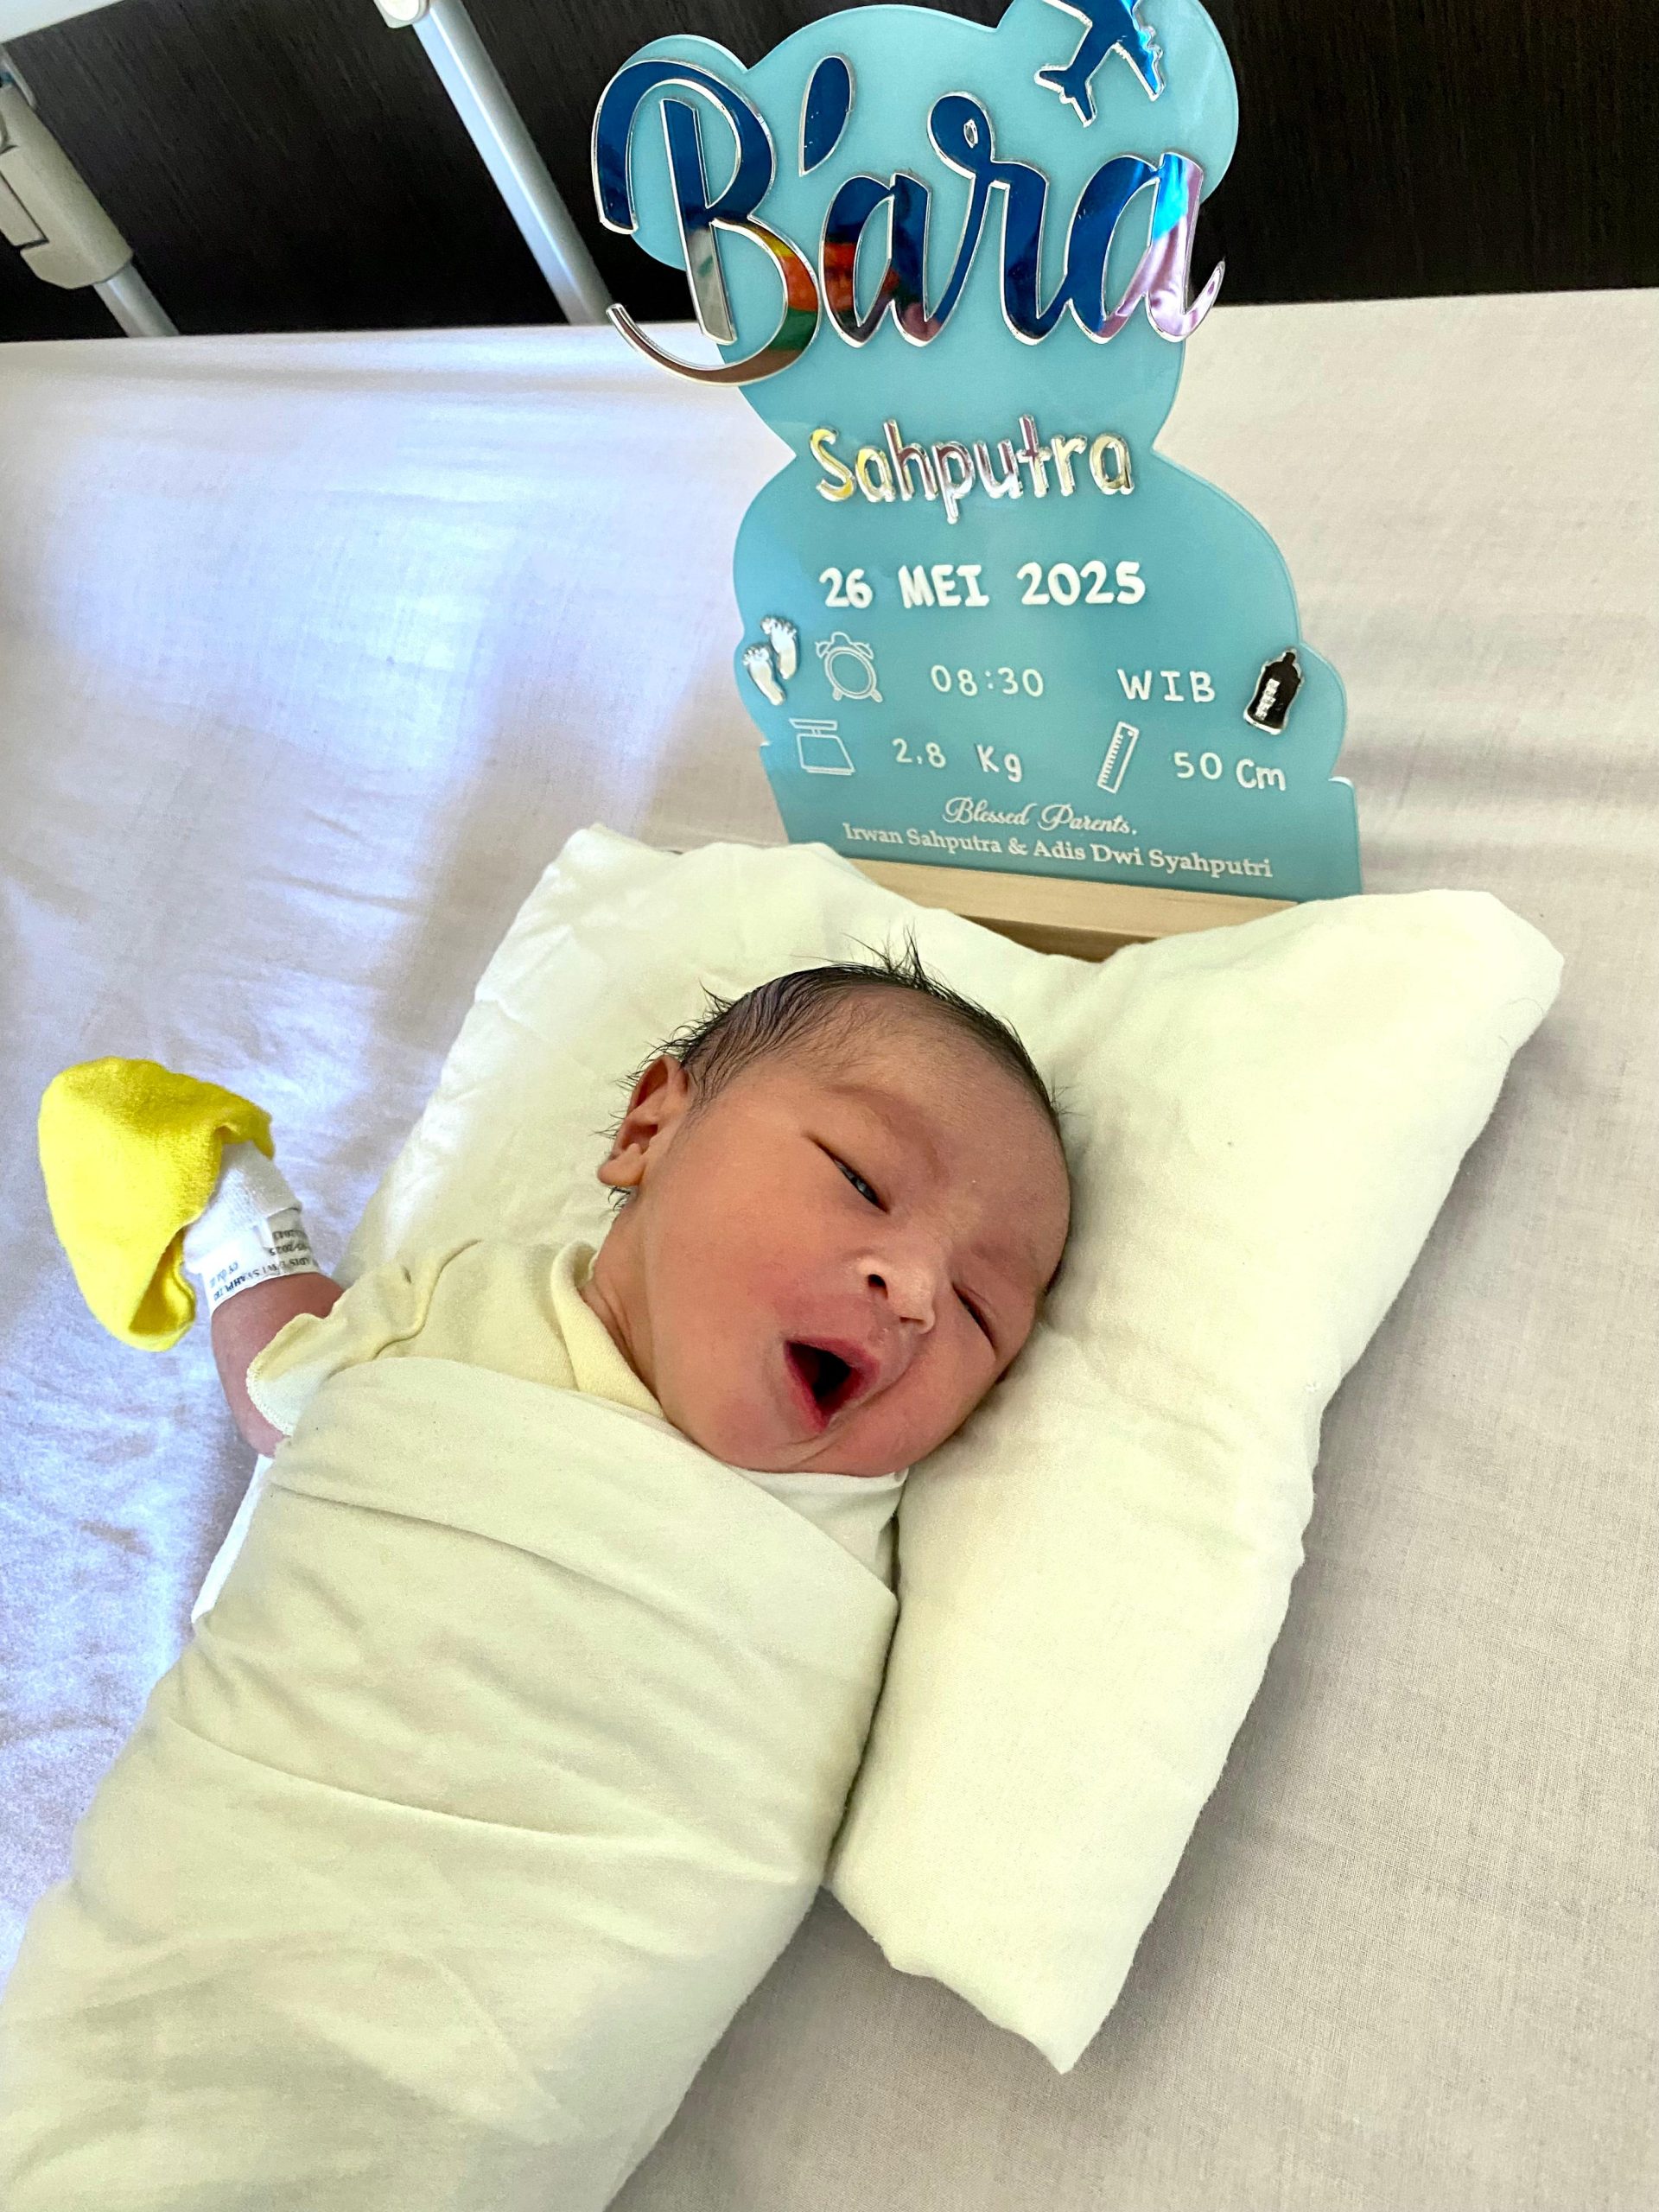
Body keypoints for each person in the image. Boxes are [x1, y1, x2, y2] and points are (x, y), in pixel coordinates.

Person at [201, 948, 1071, 1583]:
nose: (917, 1292)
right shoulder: (463, 1307)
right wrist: (241, 1230)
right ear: (650, 1130)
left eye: (978, 1307)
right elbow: (278, 1387)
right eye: (861, 1180)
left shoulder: (868, 1527)